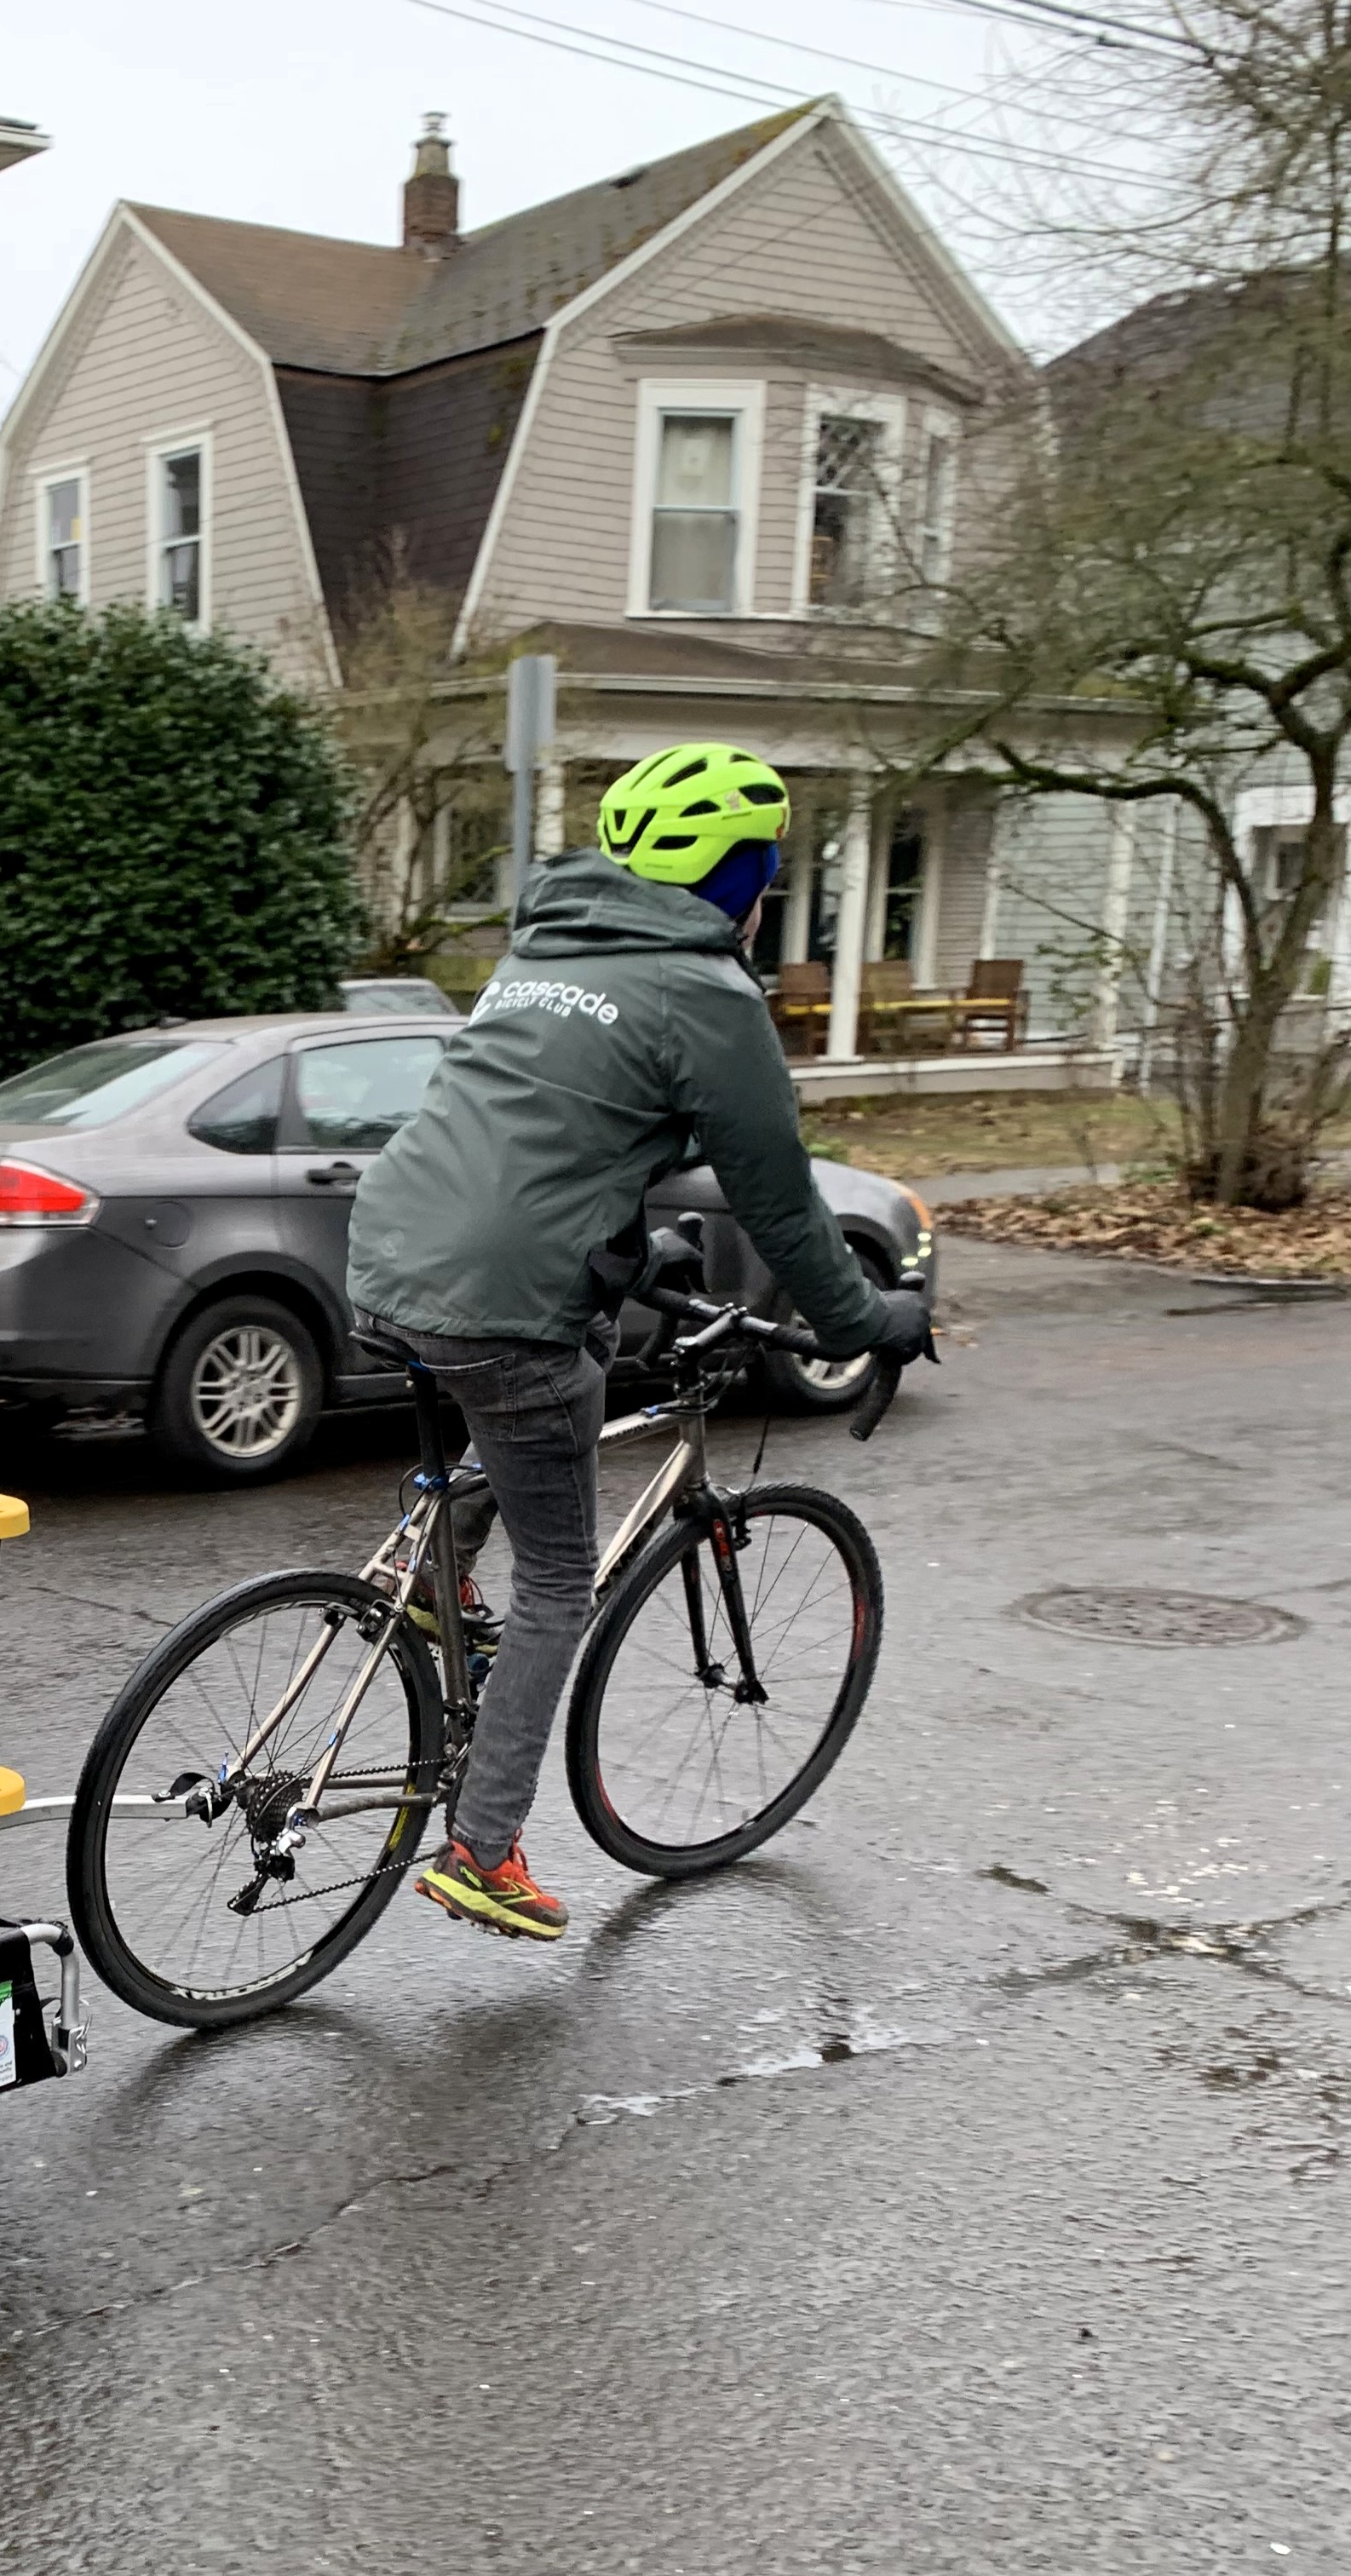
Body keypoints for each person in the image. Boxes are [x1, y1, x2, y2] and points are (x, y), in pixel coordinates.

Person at [345, 742, 932, 1941]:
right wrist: (870, 1321)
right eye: (765, 870)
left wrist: (633, 1242)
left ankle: (425, 1571)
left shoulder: (548, 949)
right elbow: (784, 1209)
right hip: (503, 1294)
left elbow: (559, 1128)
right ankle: (481, 1849)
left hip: (388, 1250)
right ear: (736, 879)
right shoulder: (711, 1000)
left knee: (533, 1396)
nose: (767, 893)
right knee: (559, 1578)